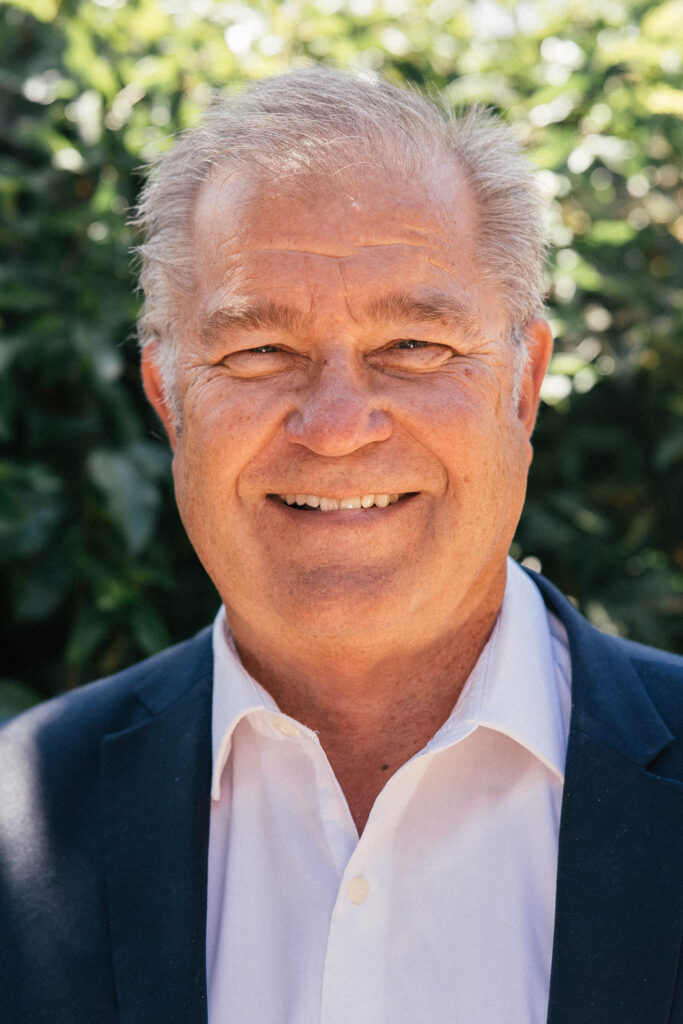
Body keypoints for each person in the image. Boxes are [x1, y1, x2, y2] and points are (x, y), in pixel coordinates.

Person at [1, 66, 682, 1024]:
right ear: (169, 400)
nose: (334, 425)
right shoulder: (13, 826)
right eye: (258, 352)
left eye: (413, 345)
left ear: (521, 388)